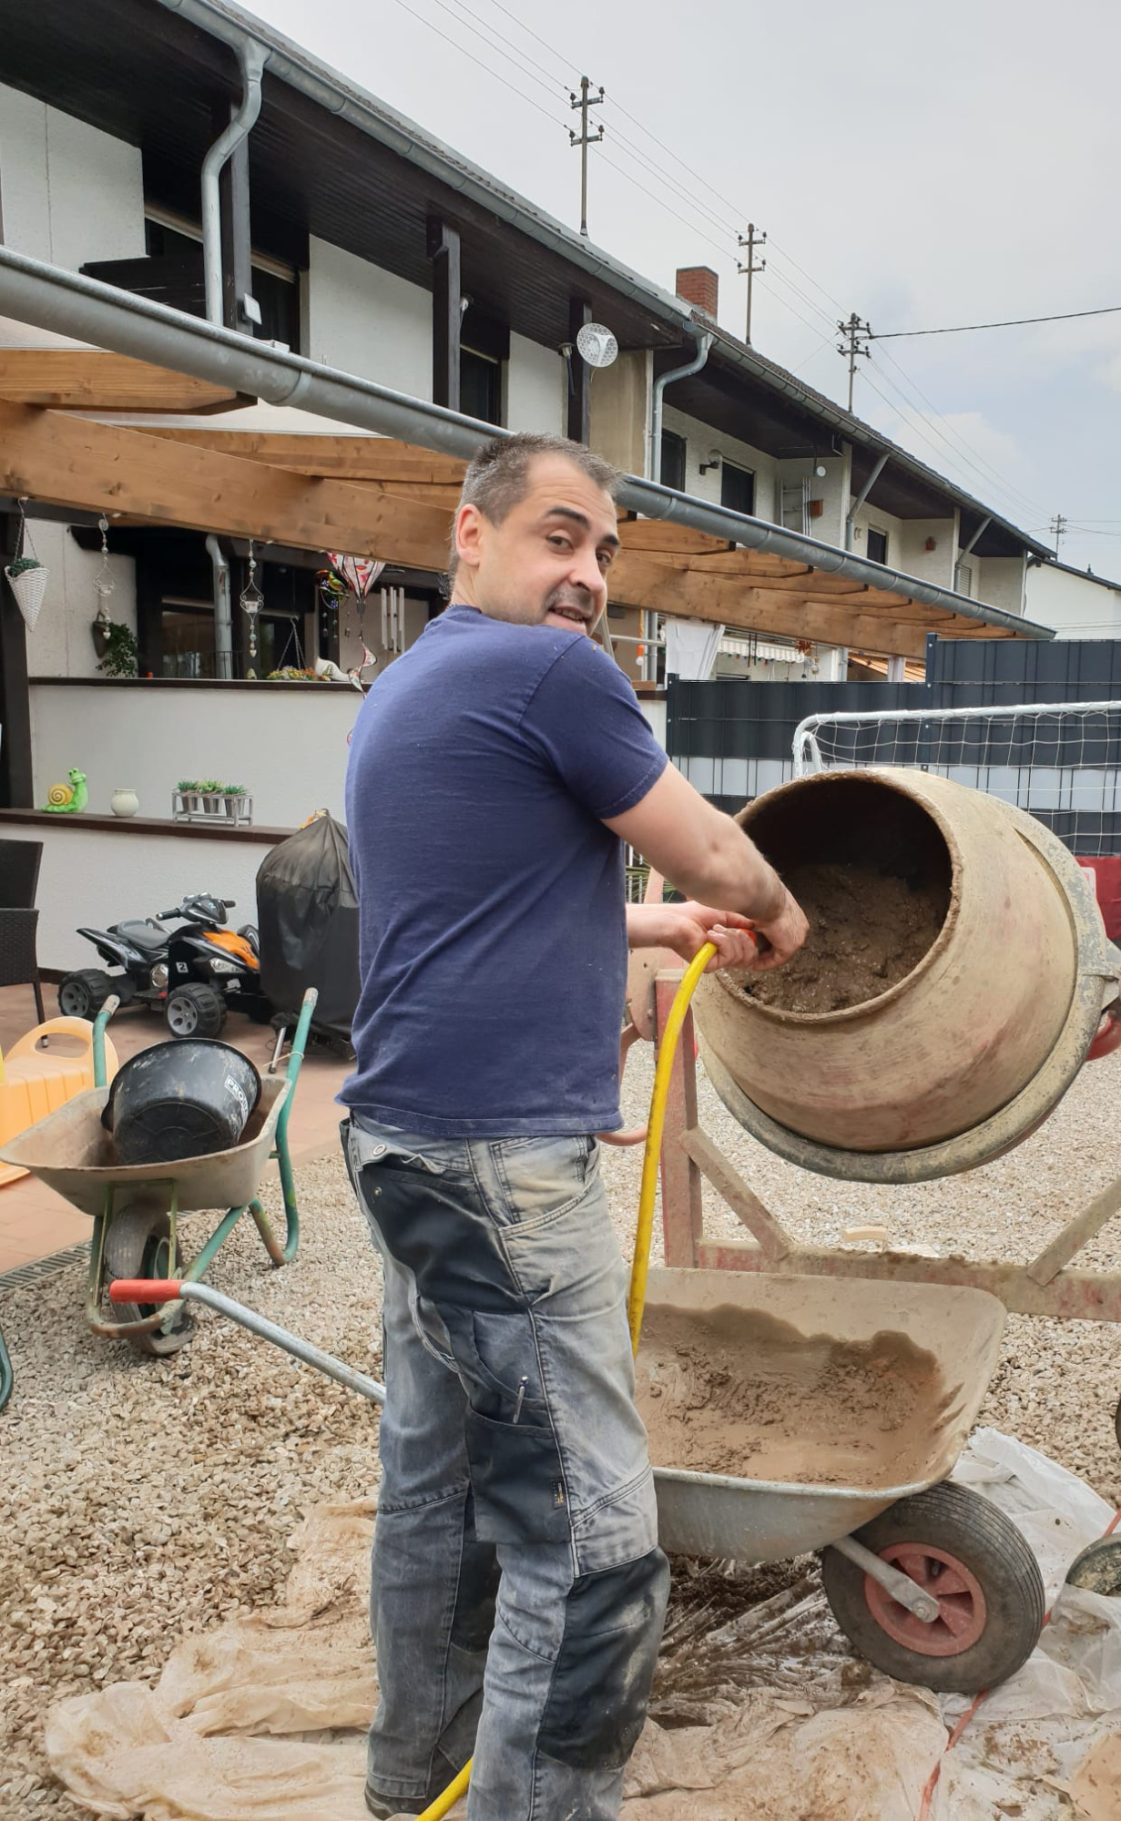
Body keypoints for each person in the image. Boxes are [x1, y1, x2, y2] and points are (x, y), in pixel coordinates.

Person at [341, 431, 808, 1821]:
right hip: (496, 1169)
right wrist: (775, 917)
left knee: (438, 1488)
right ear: (467, 534)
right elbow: (717, 850)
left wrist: (648, 925)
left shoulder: (406, 685)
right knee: (591, 1534)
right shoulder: (550, 672)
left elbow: (478, 902)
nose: (589, 574)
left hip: (406, 1142)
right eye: (559, 535)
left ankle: (410, 1779)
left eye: (605, 550)